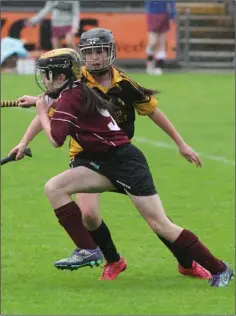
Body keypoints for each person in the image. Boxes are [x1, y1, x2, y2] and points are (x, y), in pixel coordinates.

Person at [11, 28, 212, 280]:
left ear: (111, 52)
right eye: (90, 53)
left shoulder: (124, 84)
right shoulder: (73, 80)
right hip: (84, 155)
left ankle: (186, 262)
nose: (95, 58)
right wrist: (23, 141)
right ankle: (113, 260)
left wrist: (181, 143)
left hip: (120, 156)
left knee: (157, 219)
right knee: (89, 215)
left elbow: (152, 111)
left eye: (100, 51)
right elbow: (51, 113)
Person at [145, 0, 175, 75]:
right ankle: (150, 63)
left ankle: (159, 67)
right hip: (152, 14)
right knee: (153, 42)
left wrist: (171, 15)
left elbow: (171, 2)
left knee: (161, 42)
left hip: (163, 15)